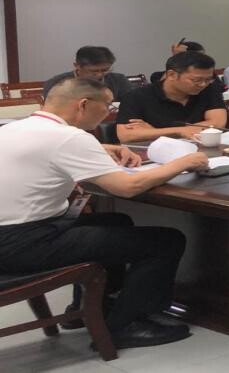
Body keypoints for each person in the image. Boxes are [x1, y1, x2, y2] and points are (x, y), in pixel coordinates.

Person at [0, 77, 209, 349]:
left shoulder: (15, 128)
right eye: (108, 105)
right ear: (83, 105)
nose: (109, 112)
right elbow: (127, 187)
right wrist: (183, 162)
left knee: (116, 222)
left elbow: (44, 153)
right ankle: (126, 325)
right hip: (24, 243)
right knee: (166, 241)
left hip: (15, 236)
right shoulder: (70, 137)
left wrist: (100, 149)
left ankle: (90, 308)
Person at [115, 51, 228, 144]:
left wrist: (154, 131)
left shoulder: (209, 89)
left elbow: (217, 124)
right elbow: (126, 136)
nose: (203, 84)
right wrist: (179, 131)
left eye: (208, 79)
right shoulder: (136, 96)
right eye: (196, 80)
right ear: (171, 75)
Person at [43, 45, 135, 101]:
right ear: (77, 66)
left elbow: (133, 102)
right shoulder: (57, 83)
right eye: (94, 71)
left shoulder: (118, 80)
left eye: (105, 70)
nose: (100, 74)